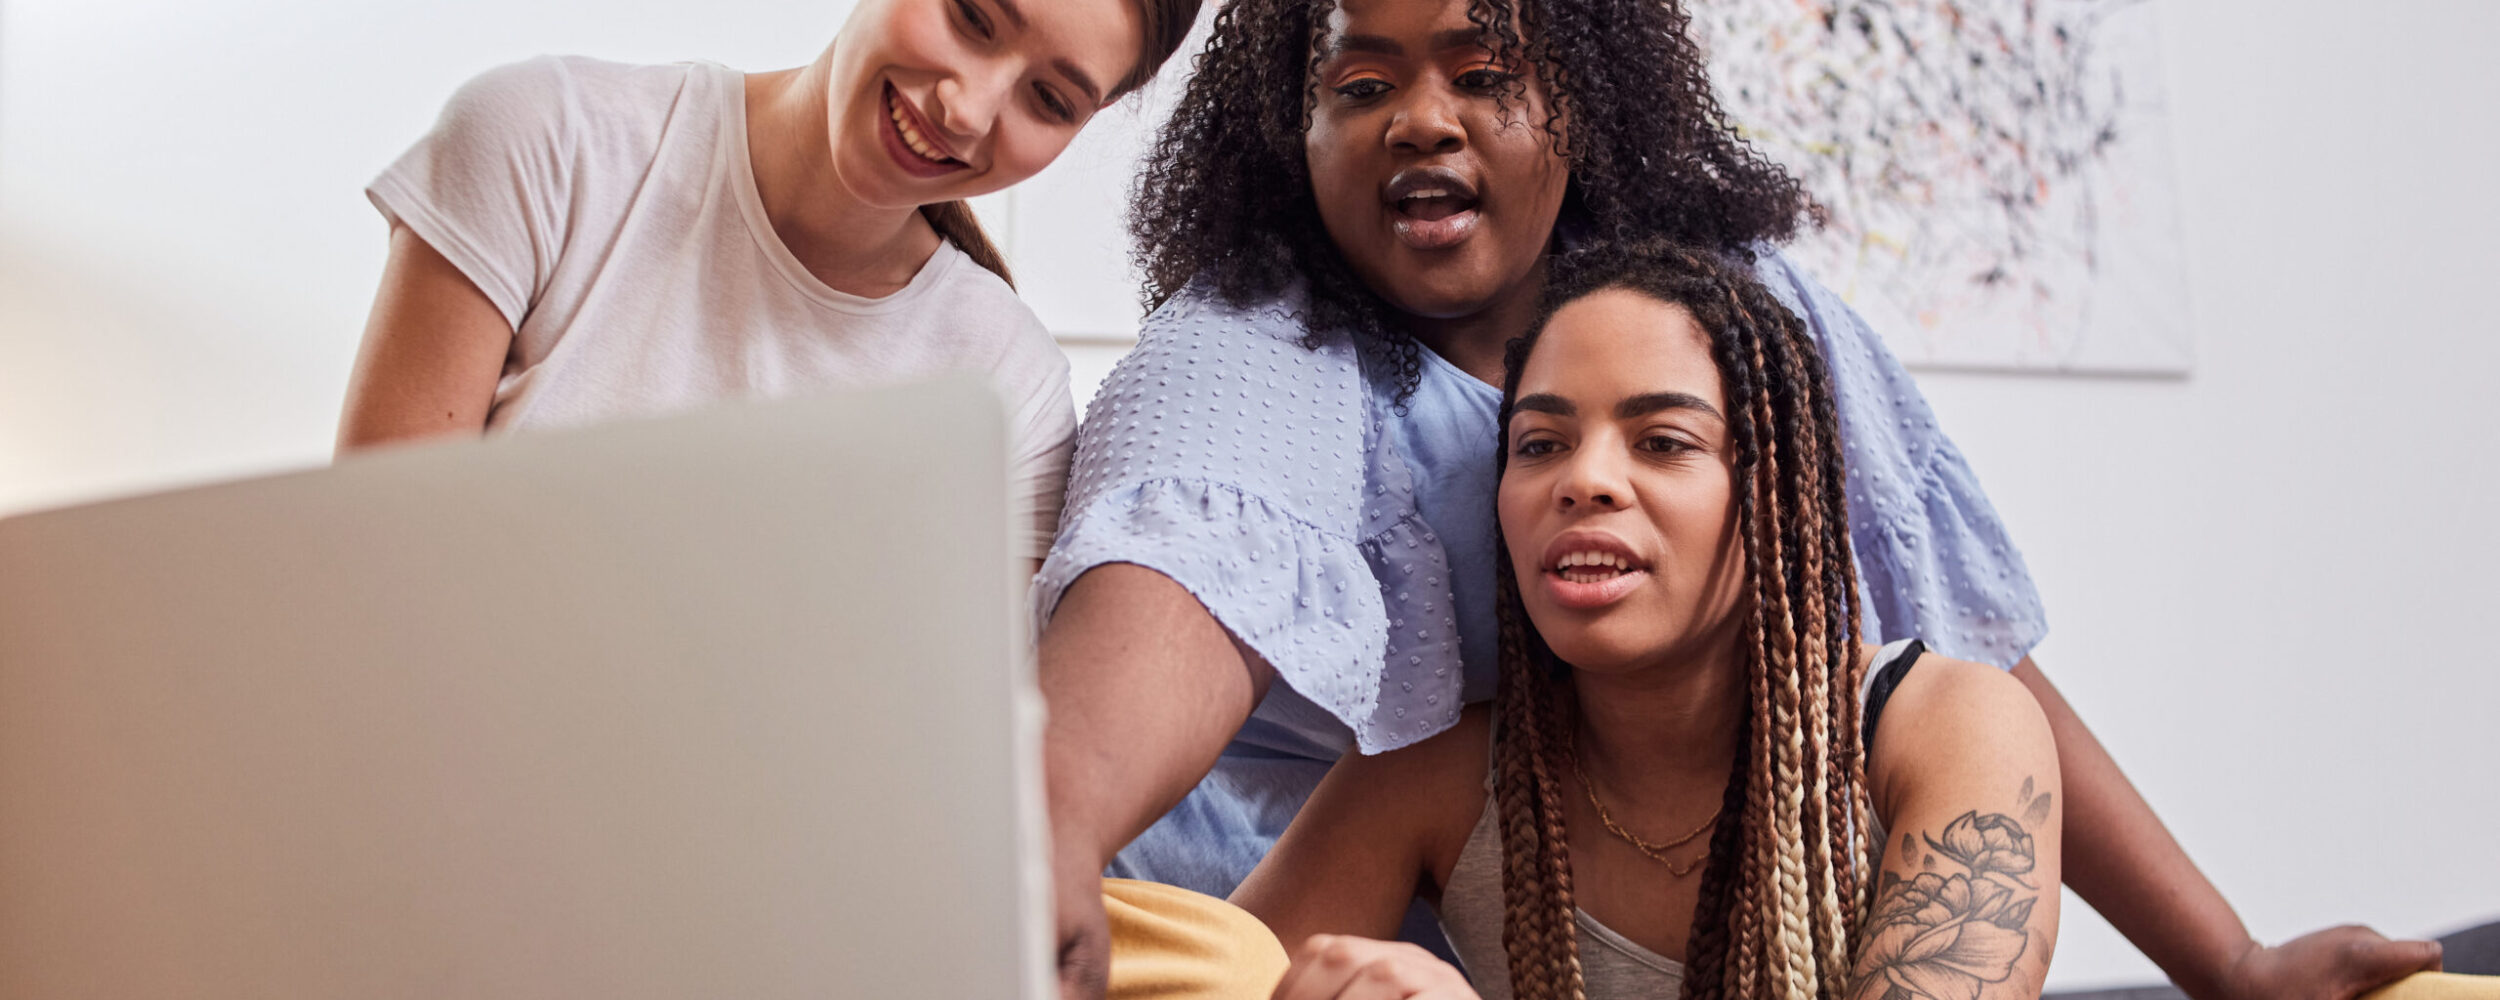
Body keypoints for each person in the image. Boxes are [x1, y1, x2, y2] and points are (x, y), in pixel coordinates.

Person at [1038, 0, 2440, 997]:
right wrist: (1034, 849)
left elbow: (1949, 635)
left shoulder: (1739, 315)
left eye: (1485, 70)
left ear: (1580, 89)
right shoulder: (1246, 364)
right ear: (1291, 128)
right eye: (1359, 86)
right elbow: (1158, 592)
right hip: (1267, 903)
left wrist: (2231, 964)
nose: (1422, 119)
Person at [1234, 241, 2063, 1000]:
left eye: (1663, 441)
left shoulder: (1947, 727)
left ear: (1774, 499)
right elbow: (1210, 973)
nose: (1585, 479)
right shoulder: (1432, 779)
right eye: (1539, 443)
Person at [336, 0, 1196, 567]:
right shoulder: (547, 138)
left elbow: (952, 747)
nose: (967, 109)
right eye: (972, 16)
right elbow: (367, 574)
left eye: (1048, 100)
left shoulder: (1009, 386)